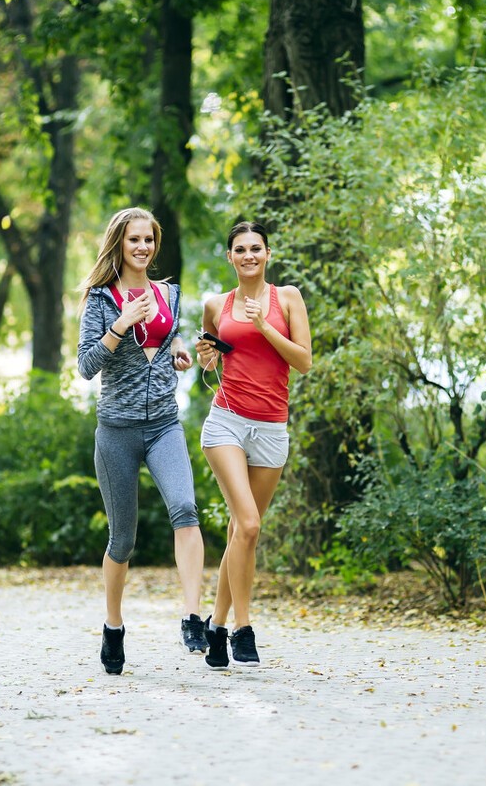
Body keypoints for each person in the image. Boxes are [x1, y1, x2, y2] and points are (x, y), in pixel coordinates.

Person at [77, 207, 206, 675]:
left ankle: (192, 617)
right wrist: (120, 324)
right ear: (120, 243)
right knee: (123, 540)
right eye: (134, 239)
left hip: (164, 425)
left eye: (149, 239)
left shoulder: (169, 292)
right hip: (117, 431)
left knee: (185, 508)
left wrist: (178, 348)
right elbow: (86, 366)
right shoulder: (100, 299)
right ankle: (113, 626)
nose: (143, 247)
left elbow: (169, 334)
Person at [195, 221, 312, 668]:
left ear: (268, 254)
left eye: (256, 248)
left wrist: (264, 326)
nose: (249, 255)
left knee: (239, 534)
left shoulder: (288, 298)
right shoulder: (216, 305)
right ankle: (243, 629)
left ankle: (216, 626)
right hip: (226, 422)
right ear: (230, 257)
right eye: (240, 249)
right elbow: (210, 354)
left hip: (272, 428)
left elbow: (304, 361)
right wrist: (207, 356)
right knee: (248, 526)